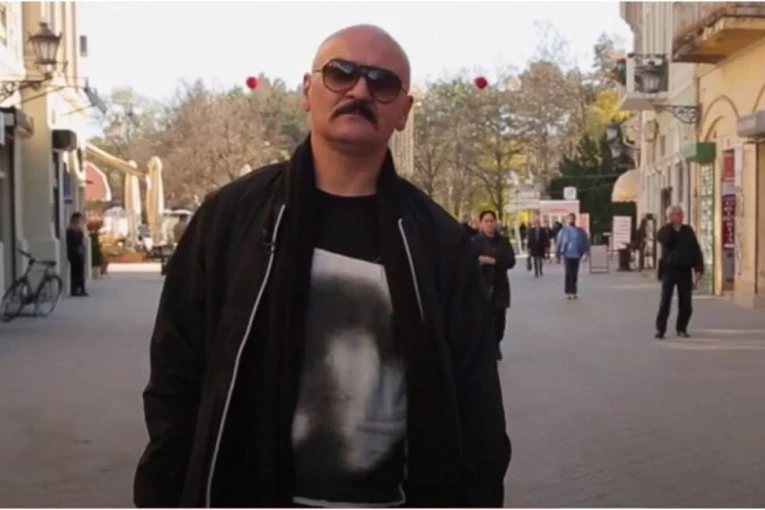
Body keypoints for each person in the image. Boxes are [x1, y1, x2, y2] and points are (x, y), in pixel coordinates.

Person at [134, 24, 510, 509]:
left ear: (403, 112)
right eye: (341, 73)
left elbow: (477, 404)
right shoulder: (232, 218)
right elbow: (175, 373)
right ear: (307, 91)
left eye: (383, 82)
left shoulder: (438, 243)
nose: (360, 90)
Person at [654, 205, 704, 339]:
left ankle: (682, 328)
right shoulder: (665, 230)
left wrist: (698, 269)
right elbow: (663, 240)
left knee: (686, 302)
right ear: (671, 216)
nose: (681, 216)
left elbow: (695, 250)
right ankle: (661, 329)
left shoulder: (688, 231)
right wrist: (670, 226)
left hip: (684, 269)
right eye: (678, 214)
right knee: (665, 300)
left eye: (682, 213)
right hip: (669, 269)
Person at [473, 210, 516, 360]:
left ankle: (496, 343)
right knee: (485, 320)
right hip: (482, 286)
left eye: (492, 221)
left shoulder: (503, 241)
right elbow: (466, 263)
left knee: (499, 322)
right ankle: (488, 349)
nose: (490, 224)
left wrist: (493, 261)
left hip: (500, 286)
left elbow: (510, 261)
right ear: (481, 224)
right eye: (486, 221)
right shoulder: (475, 242)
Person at [556, 213, 589, 299]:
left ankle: (574, 291)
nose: (571, 220)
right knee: (568, 273)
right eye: (569, 219)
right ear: (567, 220)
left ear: (575, 220)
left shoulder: (580, 231)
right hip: (567, 255)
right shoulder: (563, 231)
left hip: (576, 255)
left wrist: (586, 253)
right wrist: (558, 256)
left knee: (574, 274)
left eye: (572, 219)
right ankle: (568, 291)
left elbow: (585, 241)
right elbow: (559, 243)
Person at [65, 212, 88, 297]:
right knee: (75, 272)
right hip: (74, 254)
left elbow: (81, 242)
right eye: (78, 220)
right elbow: (75, 242)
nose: (80, 221)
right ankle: (74, 289)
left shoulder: (78, 230)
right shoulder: (71, 231)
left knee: (80, 272)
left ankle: (81, 289)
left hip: (79, 253)